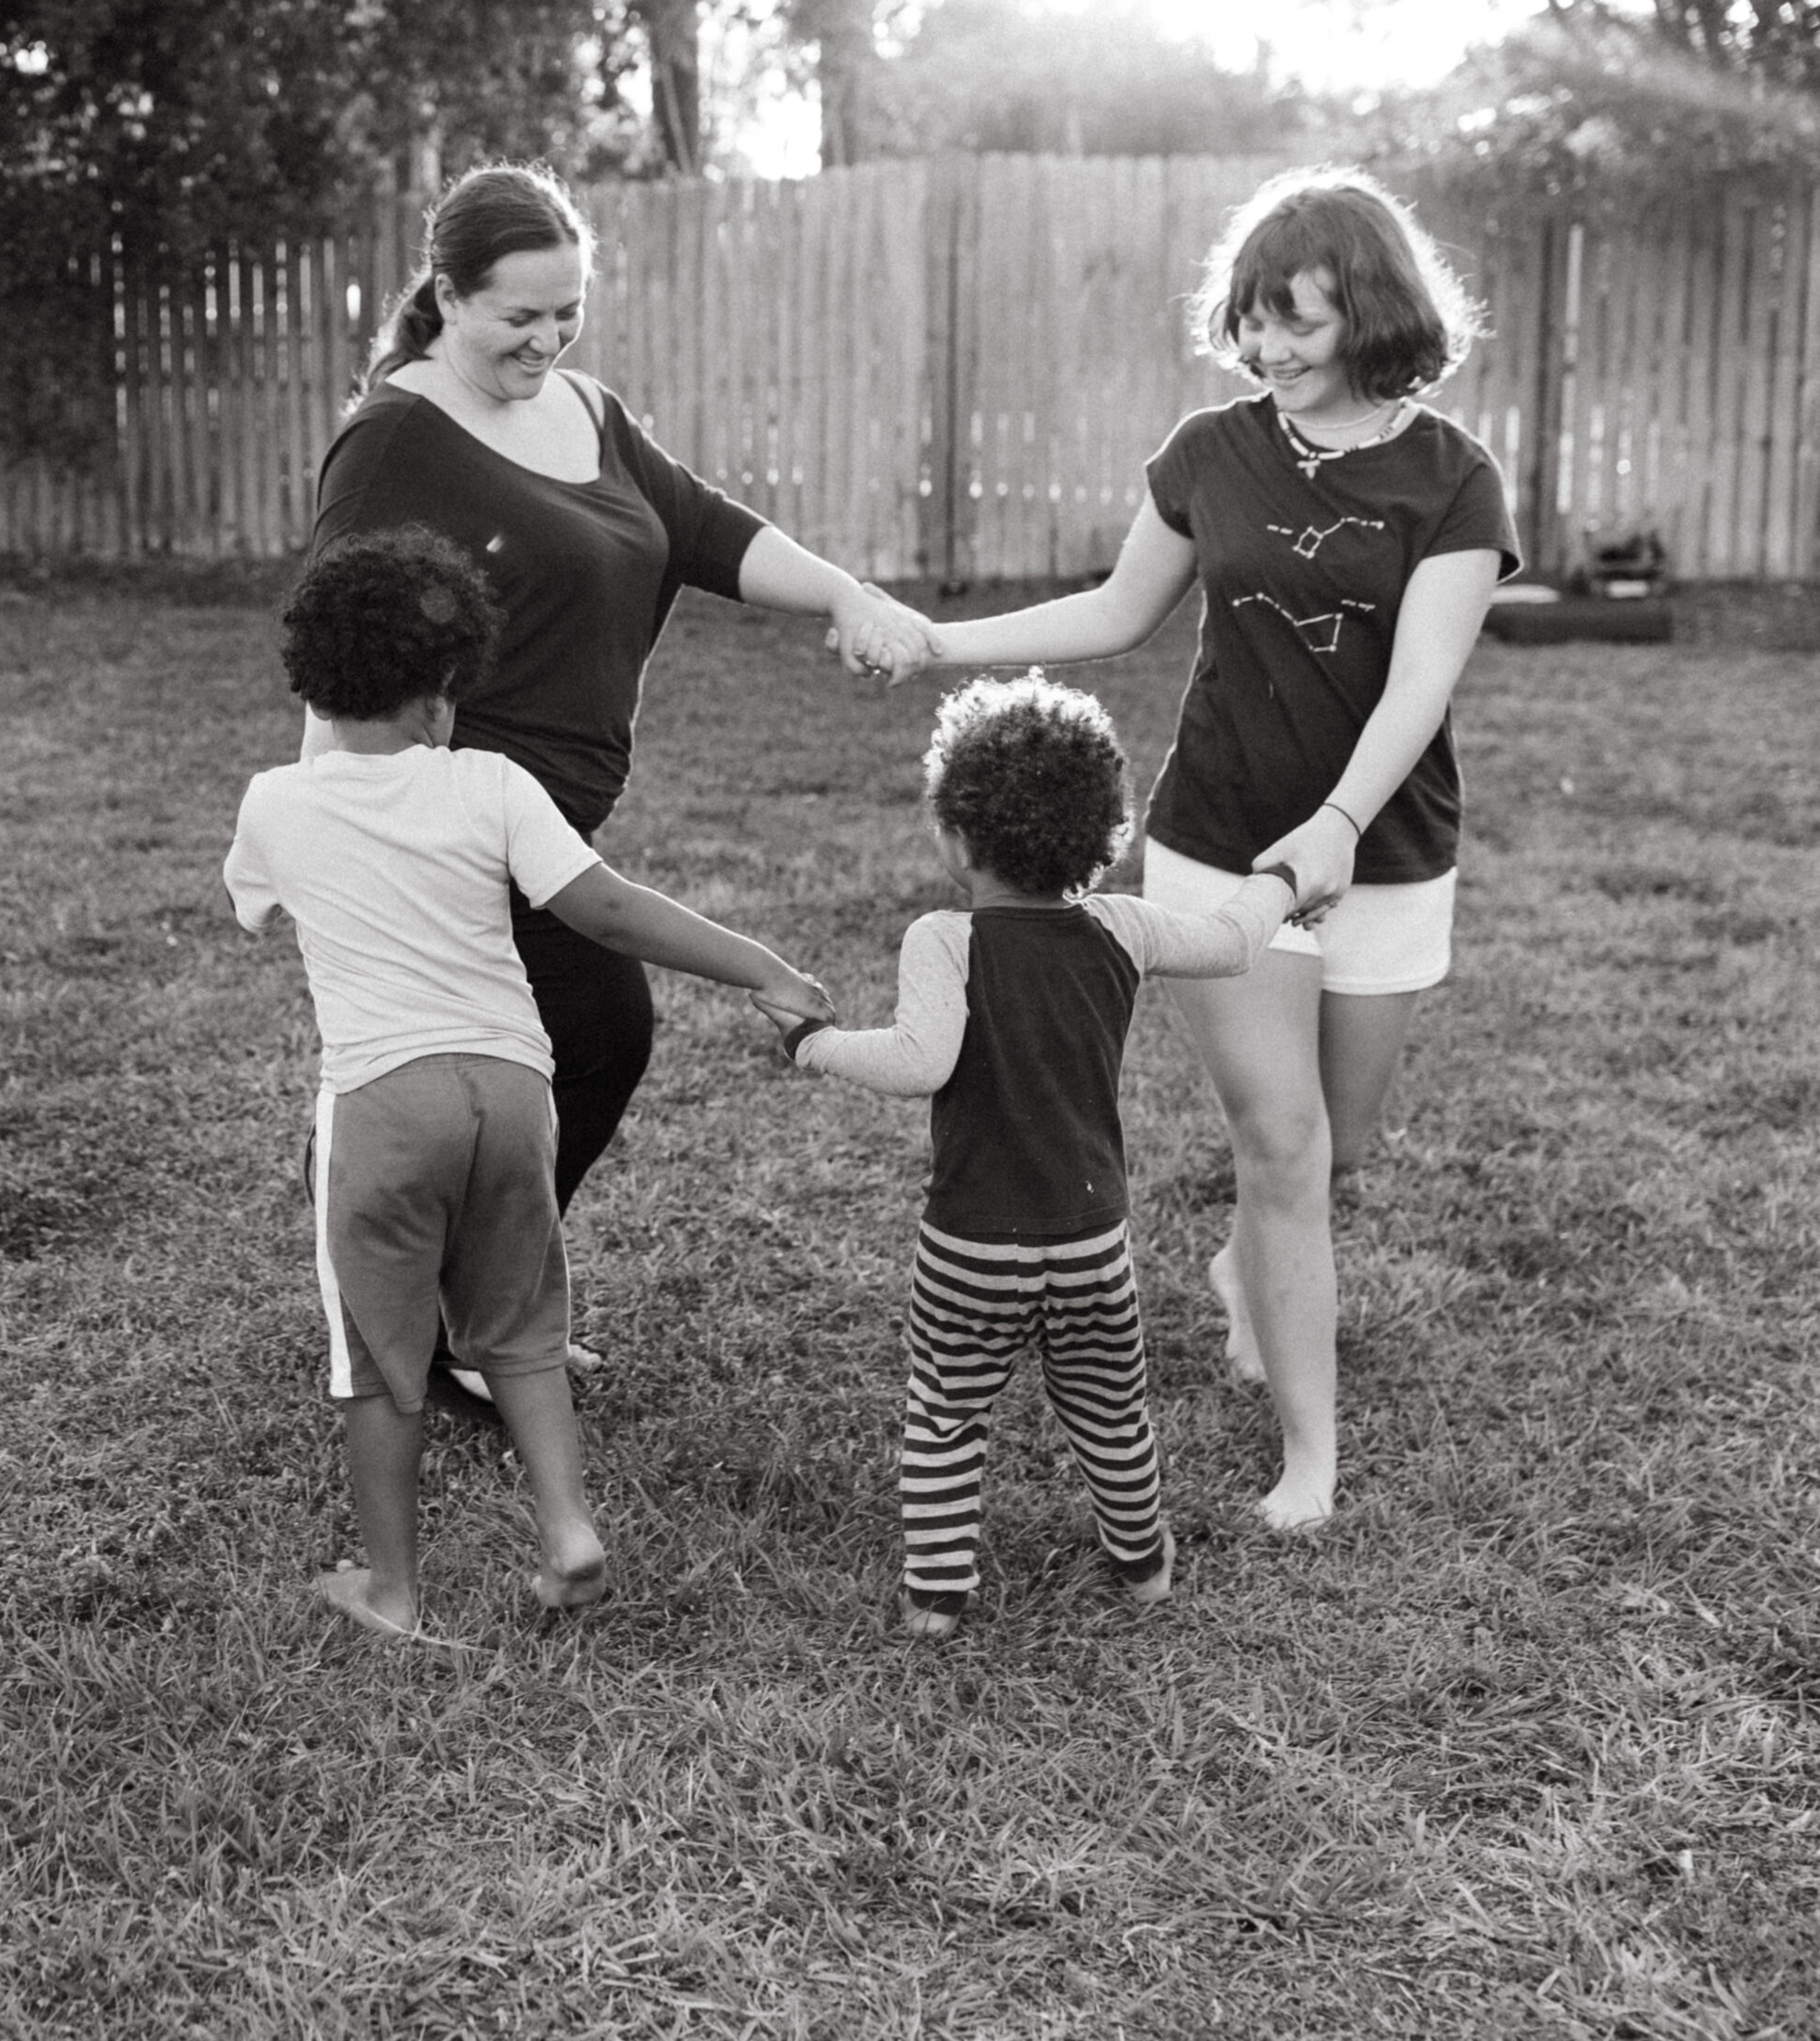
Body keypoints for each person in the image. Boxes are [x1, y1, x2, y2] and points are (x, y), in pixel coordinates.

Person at [872, 168, 1519, 1533]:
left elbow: (1419, 685)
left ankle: (1249, 1275)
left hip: (1383, 851)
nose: (1271, 350)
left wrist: (1339, 825)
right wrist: (939, 639)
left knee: (1337, 1154)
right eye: (1253, 322)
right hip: (1219, 842)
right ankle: (1309, 1458)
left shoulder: (1452, 479)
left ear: (1374, 311)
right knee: (1279, 1146)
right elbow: (1117, 611)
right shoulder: (1207, 451)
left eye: (1300, 322)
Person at [306, 162, 933, 1241]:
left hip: (555, 821)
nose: (548, 340)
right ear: (447, 296)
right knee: (597, 1028)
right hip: (452, 825)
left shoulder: (588, 412)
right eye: (520, 316)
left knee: (554, 1052)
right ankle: (462, 1300)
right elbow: (333, 640)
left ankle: (462, 1288)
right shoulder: (395, 438)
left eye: (569, 312)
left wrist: (843, 593)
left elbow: (705, 530)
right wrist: (326, 830)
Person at [225, 526, 832, 1641]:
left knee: (378, 1358)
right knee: (521, 1328)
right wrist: (765, 966)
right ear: (446, 697)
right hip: (513, 1091)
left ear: (313, 683)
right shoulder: (493, 784)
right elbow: (604, 908)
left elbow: (255, 909)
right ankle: (566, 1530)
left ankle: (394, 1590)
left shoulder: (275, 803)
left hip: (382, 1102)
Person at [764, 673, 1299, 1638]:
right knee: (1108, 1409)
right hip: (1091, 1242)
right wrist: (1289, 882)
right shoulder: (1121, 926)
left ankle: (936, 1597)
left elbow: (919, 1061)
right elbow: (1228, 943)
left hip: (971, 1242)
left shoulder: (946, 938)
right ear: (1100, 834)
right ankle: (1144, 1567)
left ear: (959, 836)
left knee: (945, 1414)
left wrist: (814, 1044)